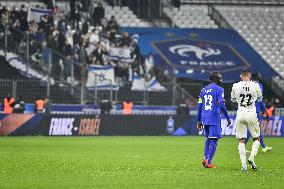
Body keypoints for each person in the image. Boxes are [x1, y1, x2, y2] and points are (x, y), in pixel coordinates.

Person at [231, 69, 263, 172]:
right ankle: (252, 158)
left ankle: (244, 165)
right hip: (251, 114)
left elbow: (232, 100)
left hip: (240, 114)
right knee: (256, 138)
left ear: (241, 76)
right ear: (249, 76)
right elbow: (259, 99)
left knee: (241, 140)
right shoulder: (256, 85)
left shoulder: (235, 85)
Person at [197, 72, 231, 168]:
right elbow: (221, 105)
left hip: (205, 117)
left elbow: (199, 106)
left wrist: (199, 120)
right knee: (214, 140)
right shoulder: (219, 89)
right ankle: (209, 162)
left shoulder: (203, 90)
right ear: (216, 79)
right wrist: (227, 117)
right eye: (220, 78)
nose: (222, 80)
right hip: (214, 118)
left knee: (208, 139)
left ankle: (205, 158)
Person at [245, 72, 272, 152]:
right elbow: (260, 100)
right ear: (256, 77)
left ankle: (263, 147)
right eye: (259, 75)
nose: (261, 76)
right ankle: (263, 147)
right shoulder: (259, 85)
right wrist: (265, 112)